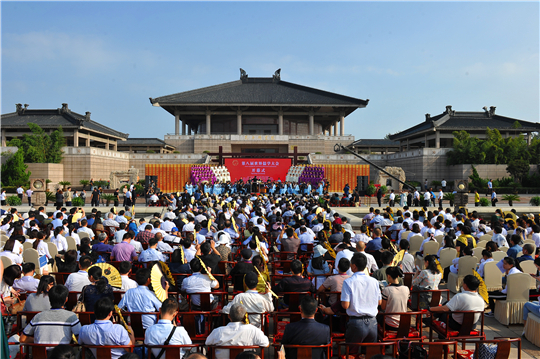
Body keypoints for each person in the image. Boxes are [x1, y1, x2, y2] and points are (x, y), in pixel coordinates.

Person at [341, 253, 381, 352]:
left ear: (354, 266)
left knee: (352, 353)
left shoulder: (348, 282)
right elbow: (379, 302)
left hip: (356, 323)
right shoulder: (374, 281)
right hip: (372, 322)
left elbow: (345, 305)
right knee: (369, 354)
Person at [205, 303, 269, 359]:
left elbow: (207, 342)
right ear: (245, 316)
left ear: (229, 316)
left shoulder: (217, 331)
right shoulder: (253, 330)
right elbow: (266, 343)